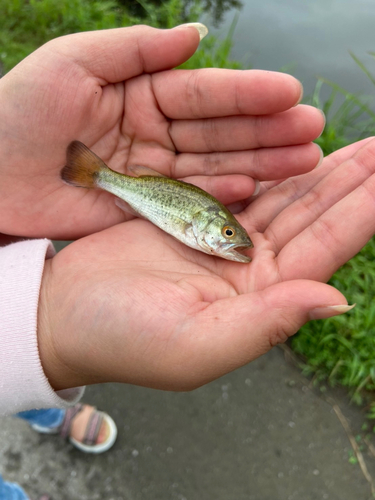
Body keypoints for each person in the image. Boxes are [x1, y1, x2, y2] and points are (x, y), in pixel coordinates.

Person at [1, 22, 375, 498]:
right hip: (124, 185)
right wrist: (43, 330)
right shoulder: (184, 218)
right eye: (226, 233)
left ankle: (40, 419)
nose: (231, 241)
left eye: (228, 234)